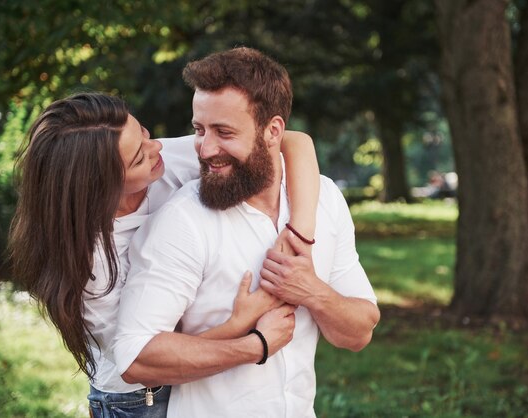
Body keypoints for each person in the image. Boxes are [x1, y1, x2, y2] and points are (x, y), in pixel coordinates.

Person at [8, 92, 319, 417]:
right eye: (138, 159)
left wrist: (300, 233)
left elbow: (292, 141)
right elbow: (142, 358)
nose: (157, 149)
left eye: (144, 134)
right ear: (100, 186)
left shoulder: (159, 157)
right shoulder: (90, 266)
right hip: (140, 399)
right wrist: (245, 330)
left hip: (203, 377)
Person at [113, 47, 380, 417]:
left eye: (224, 132)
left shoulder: (323, 199)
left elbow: (359, 333)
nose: (205, 149)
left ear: (273, 131)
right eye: (199, 130)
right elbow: (136, 358)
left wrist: (313, 292)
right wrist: (254, 345)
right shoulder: (183, 221)